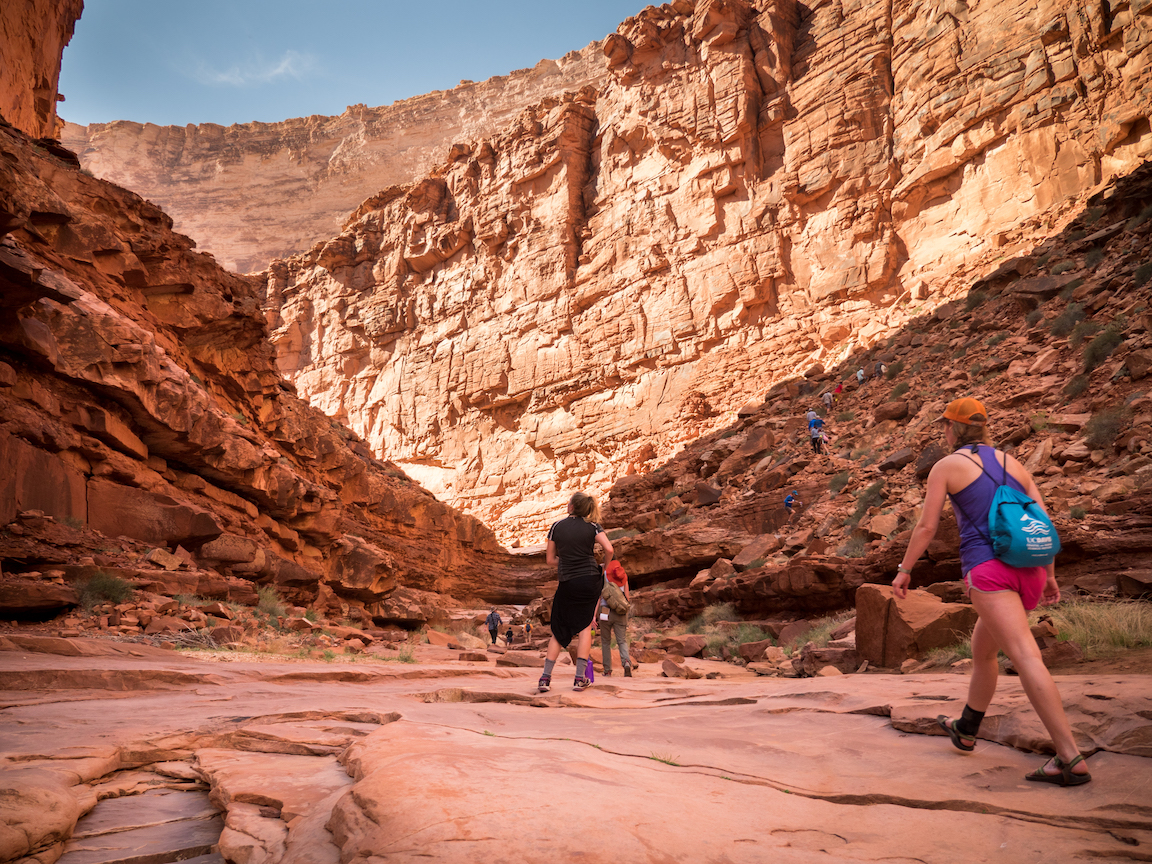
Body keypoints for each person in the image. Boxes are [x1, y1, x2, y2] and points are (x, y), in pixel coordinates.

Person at [892, 397, 1089, 786]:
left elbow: (927, 528)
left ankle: (1069, 757)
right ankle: (966, 728)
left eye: (943, 426)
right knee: (983, 651)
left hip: (990, 570)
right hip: (1030, 569)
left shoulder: (945, 466)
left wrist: (904, 570)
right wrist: (1049, 575)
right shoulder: (1013, 464)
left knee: (1026, 656)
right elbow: (1042, 521)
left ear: (951, 429)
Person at [540, 492, 614, 693]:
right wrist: (604, 568)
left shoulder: (557, 526)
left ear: (572, 506)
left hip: (568, 582)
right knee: (584, 627)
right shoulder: (592, 526)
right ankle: (579, 679)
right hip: (590, 580)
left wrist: (566, 562)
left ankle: (545, 679)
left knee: (559, 628)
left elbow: (550, 560)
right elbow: (609, 549)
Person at [597, 560, 633, 677]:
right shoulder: (623, 575)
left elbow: (599, 597)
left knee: (606, 641)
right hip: (620, 611)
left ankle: (607, 670)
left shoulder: (603, 575)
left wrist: (593, 615)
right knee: (621, 640)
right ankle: (626, 662)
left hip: (605, 610)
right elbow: (626, 597)